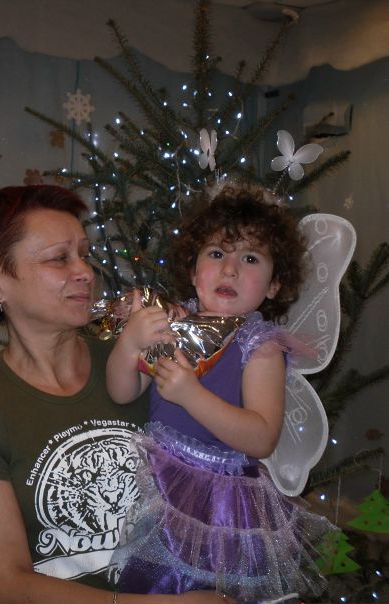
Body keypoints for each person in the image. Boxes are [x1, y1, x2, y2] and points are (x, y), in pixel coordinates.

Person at [0, 184, 225, 603]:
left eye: (84, 255)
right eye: (59, 258)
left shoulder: (138, 365)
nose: (85, 272)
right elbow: (10, 584)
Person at [106, 185, 334, 602]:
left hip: (220, 501)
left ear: (273, 285)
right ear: (194, 273)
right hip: (155, 482)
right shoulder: (173, 326)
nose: (230, 269)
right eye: (216, 253)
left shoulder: (259, 346)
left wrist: (191, 395)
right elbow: (123, 392)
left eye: (250, 258)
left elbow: (261, 437)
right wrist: (129, 343)